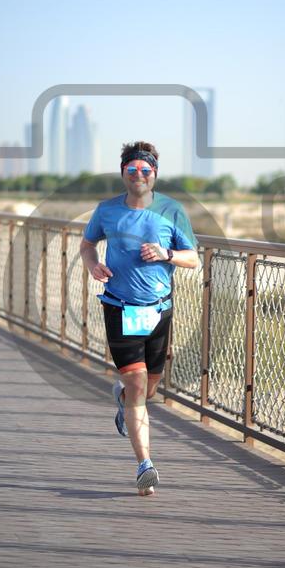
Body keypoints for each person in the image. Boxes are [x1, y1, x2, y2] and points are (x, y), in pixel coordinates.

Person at [79, 141, 198, 496]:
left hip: (158, 310)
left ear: (155, 174)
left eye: (145, 170)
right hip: (119, 307)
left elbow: (193, 258)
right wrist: (93, 265)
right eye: (132, 169)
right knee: (136, 384)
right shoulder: (107, 210)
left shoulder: (172, 210)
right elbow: (87, 245)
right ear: (123, 173)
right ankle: (145, 464)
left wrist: (167, 253)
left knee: (149, 387)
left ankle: (123, 403)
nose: (139, 175)